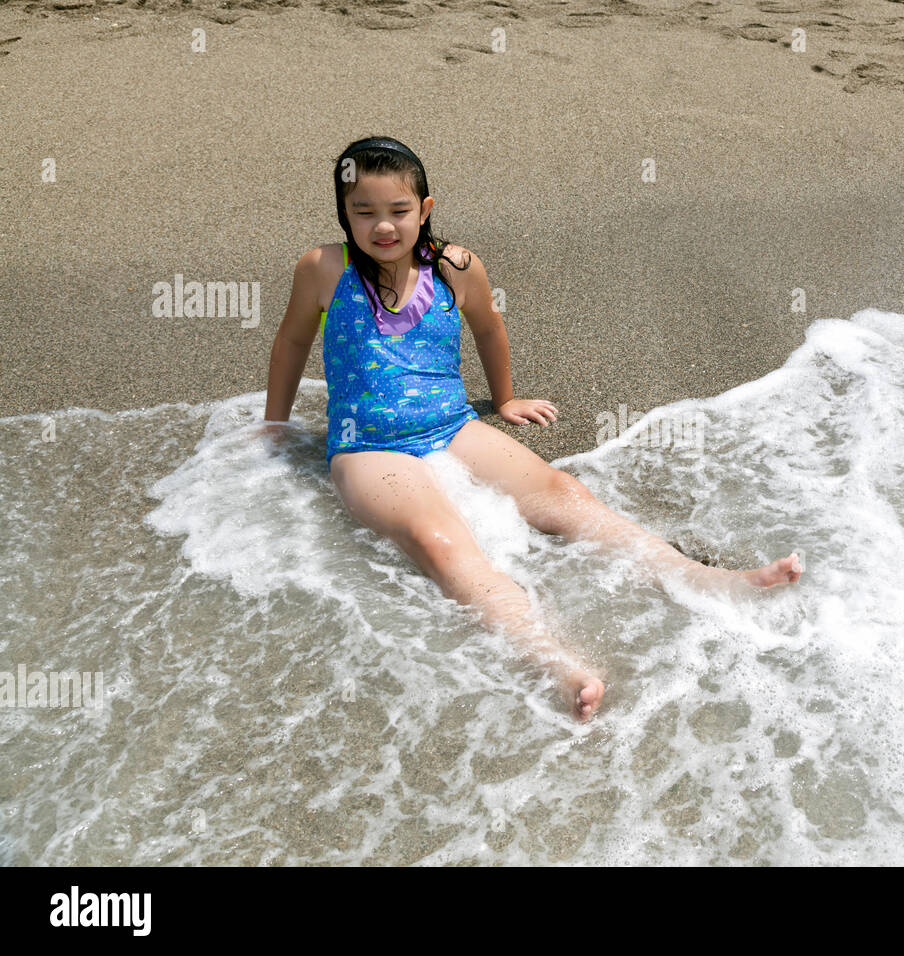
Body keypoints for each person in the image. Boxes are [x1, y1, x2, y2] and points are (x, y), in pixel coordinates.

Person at [262, 136, 803, 722]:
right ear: (343, 213)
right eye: (363, 212)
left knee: (565, 494)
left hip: (451, 425)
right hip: (368, 447)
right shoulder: (323, 268)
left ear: (425, 208)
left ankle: (707, 582)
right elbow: (293, 340)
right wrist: (275, 422)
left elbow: (490, 329)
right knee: (437, 538)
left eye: (398, 211)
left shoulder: (456, 267)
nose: (382, 227)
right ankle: (551, 661)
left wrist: (506, 397)